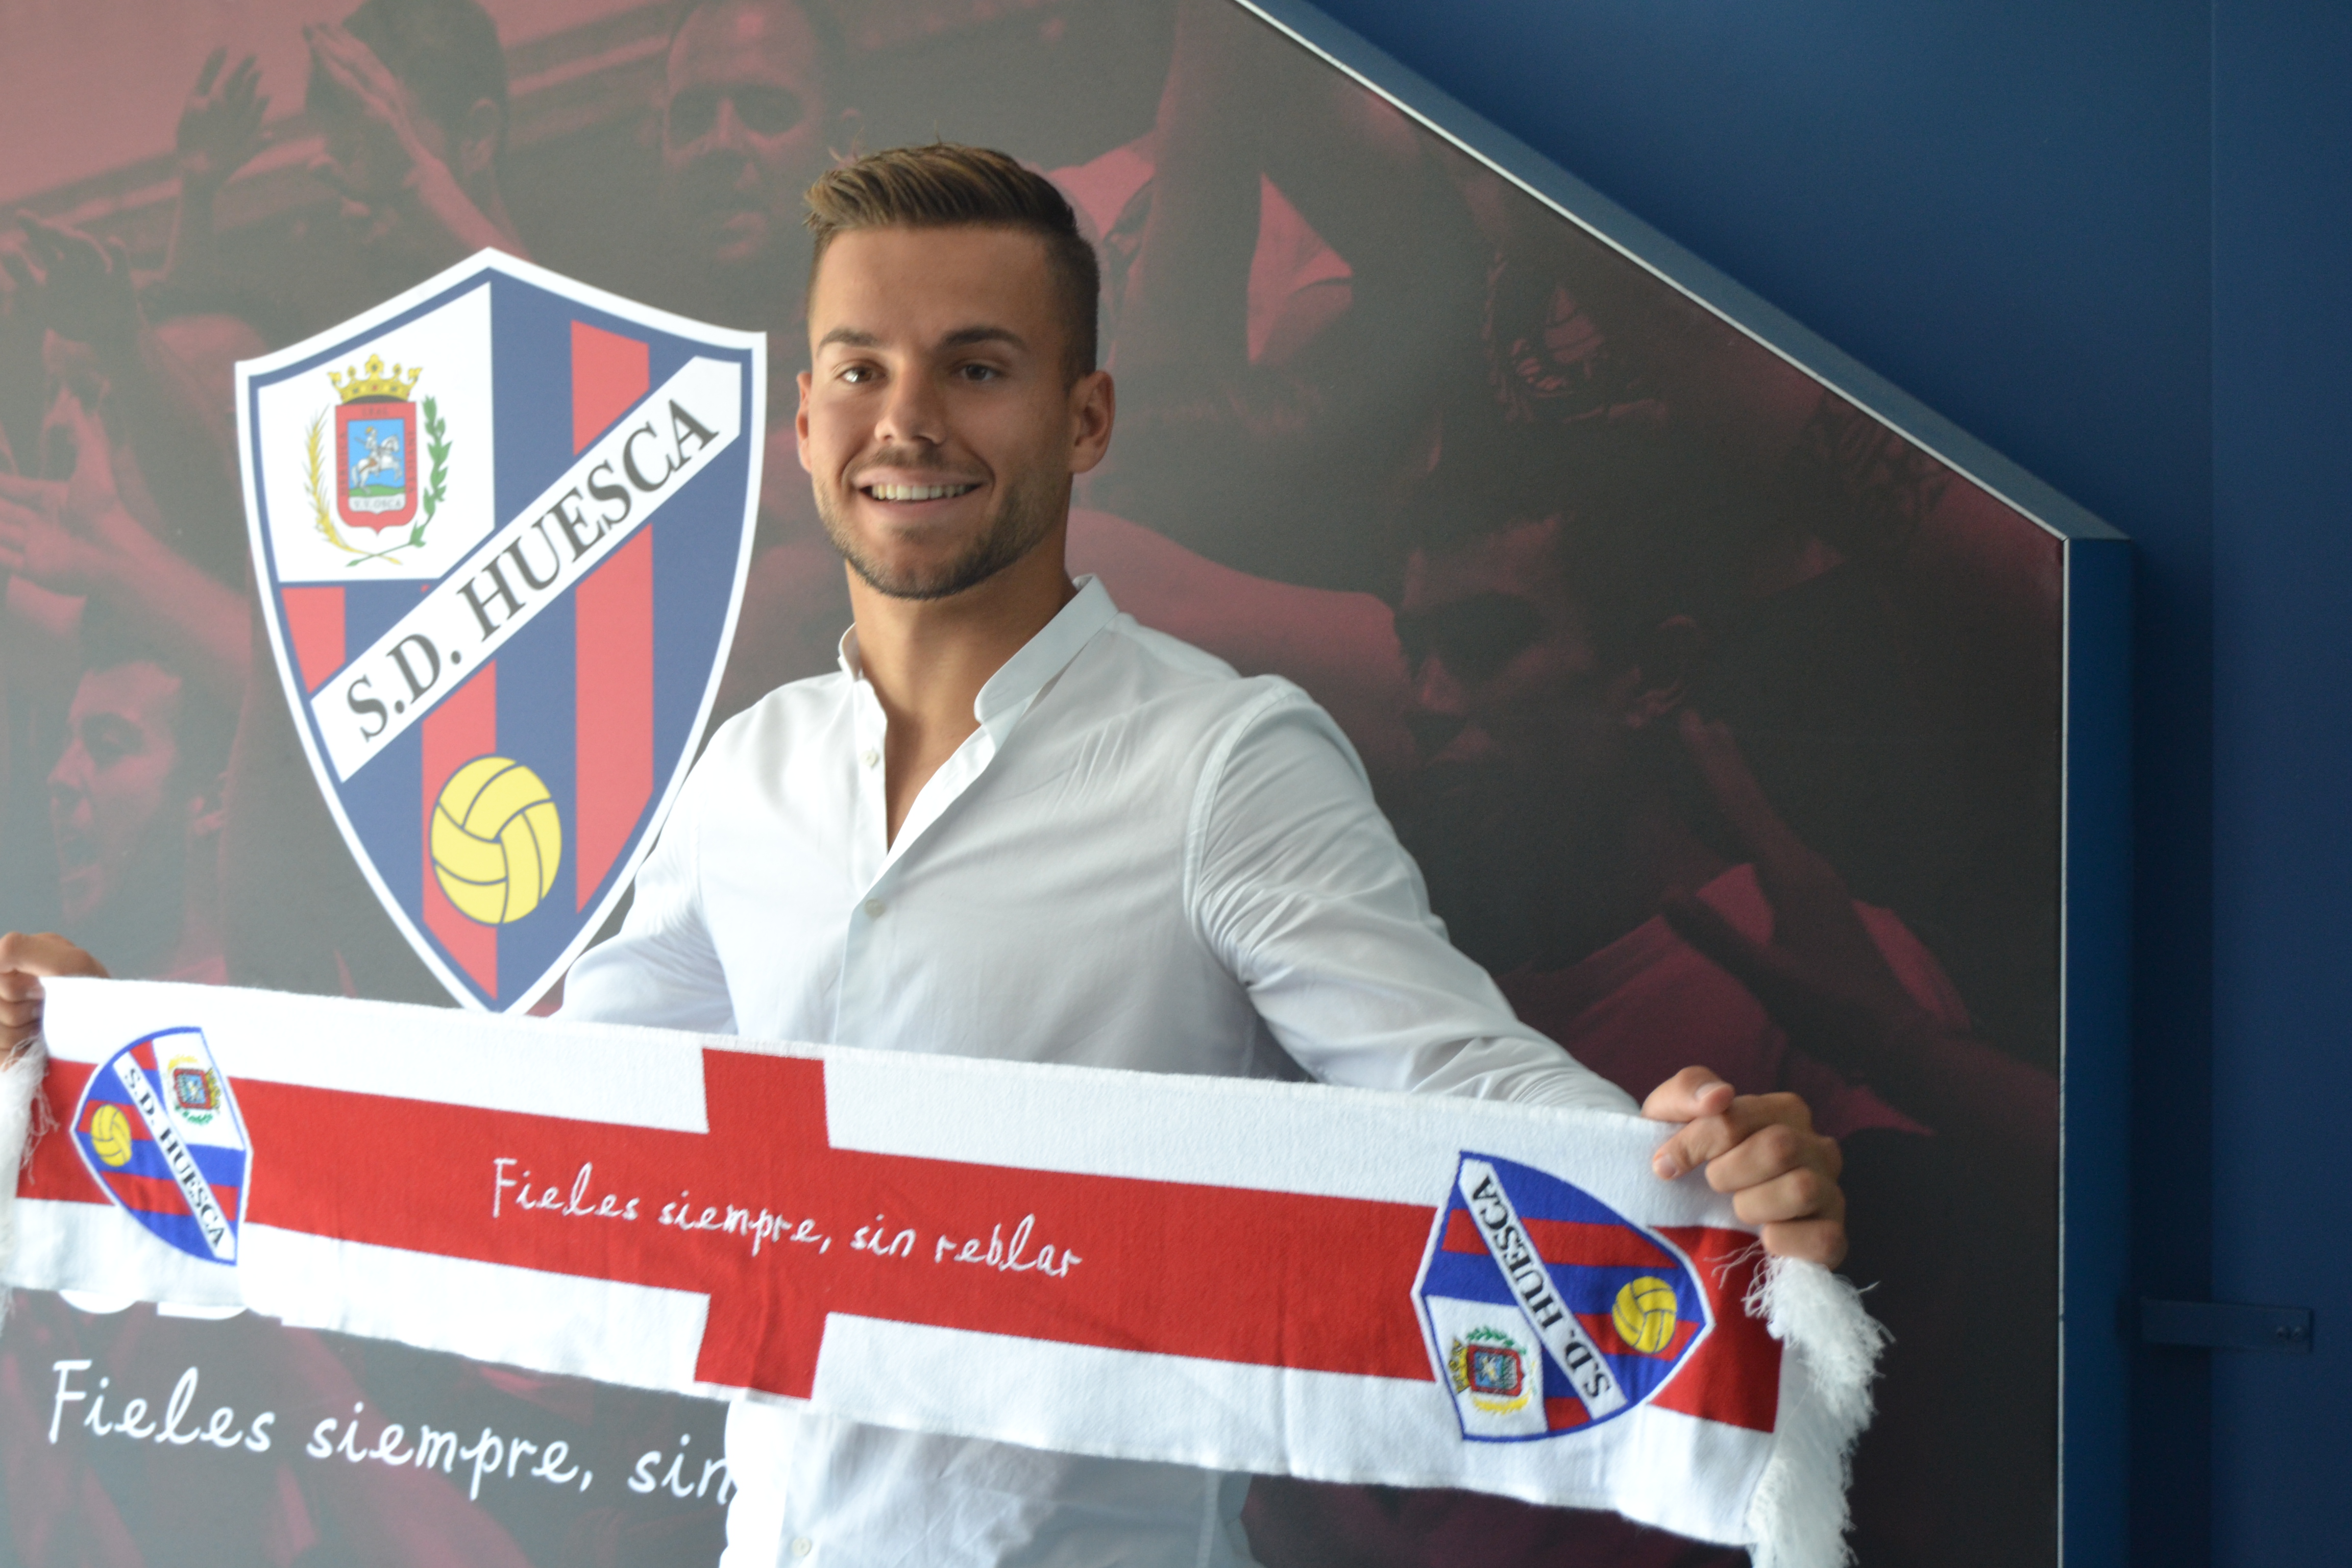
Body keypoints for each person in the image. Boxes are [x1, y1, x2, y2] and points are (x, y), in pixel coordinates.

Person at [2, 143, 1848, 1568]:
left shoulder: (1226, 758)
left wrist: (1690, 1162)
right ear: (803, 426)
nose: (909, 422)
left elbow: (1454, 1084)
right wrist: (112, 1059)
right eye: (861, 370)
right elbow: (544, 1131)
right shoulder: (745, 778)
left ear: (1086, 417)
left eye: (978, 367)